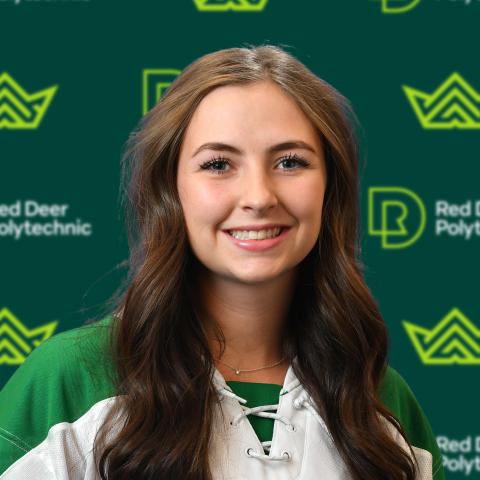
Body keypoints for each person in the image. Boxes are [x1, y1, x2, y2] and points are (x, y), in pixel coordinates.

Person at [0, 44, 445, 480]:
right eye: (218, 164)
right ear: (170, 190)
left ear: (331, 188)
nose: (258, 197)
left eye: (290, 162)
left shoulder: (384, 401)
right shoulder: (66, 383)